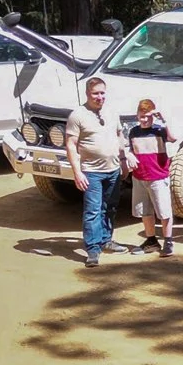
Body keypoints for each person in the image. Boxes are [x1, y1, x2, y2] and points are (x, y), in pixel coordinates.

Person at [68, 75, 125, 268]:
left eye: (102, 93)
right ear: (87, 93)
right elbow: (70, 144)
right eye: (95, 93)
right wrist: (77, 172)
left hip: (113, 169)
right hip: (91, 172)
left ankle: (106, 239)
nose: (99, 97)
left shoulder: (111, 112)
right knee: (92, 210)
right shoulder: (78, 115)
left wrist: (124, 160)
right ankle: (92, 249)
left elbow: (119, 134)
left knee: (110, 207)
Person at [126, 95, 177, 256]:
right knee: (145, 210)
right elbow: (128, 149)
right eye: (142, 117)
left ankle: (168, 241)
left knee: (163, 210)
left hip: (158, 176)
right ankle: (151, 240)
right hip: (140, 177)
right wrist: (129, 155)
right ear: (137, 116)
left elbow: (173, 138)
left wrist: (164, 120)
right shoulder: (133, 132)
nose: (145, 120)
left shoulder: (159, 130)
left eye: (148, 117)